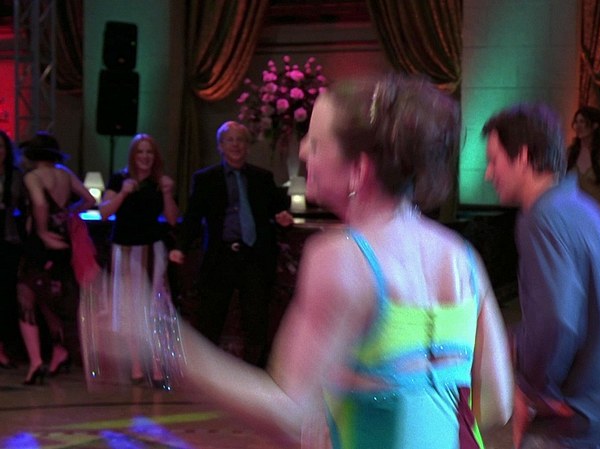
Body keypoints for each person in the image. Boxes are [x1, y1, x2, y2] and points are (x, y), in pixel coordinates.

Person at [106, 75, 513, 448]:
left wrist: (161, 340)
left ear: (358, 170)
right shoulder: (462, 257)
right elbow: (496, 405)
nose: (302, 151)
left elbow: (289, 412)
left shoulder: (343, 257)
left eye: (316, 143)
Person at [482, 103, 600, 449]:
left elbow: (556, 318)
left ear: (523, 156)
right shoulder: (584, 208)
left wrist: (531, 388)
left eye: (494, 161)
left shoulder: (543, 216)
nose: (489, 174)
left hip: (575, 403)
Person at [169, 121, 292, 367]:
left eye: (240, 140)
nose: (235, 145)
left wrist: (282, 216)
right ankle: (206, 372)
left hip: (254, 258)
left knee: (256, 320)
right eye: (230, 140)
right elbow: (193, 217)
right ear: (220, 146)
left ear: (247, 146)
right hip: (220, 258)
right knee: (210, 319)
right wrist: (180, 247)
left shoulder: (262, 178)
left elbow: (278, 207)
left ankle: (255, 373)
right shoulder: (206, 179)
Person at [99, 133, 178, 386]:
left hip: (151, 249)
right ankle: (135, 363)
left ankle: (155, 362)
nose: (145, 156)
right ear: (133, 155)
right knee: (129, 305)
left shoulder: (159, 183)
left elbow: (172, 219)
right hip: (124, 249)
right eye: (140, 152)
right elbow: (103, 213)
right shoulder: (119, 179)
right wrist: (122, 194)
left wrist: (167, 193)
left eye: (149, 152)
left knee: (153, 305)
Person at [17, 132, 96, 385]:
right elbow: (89, 199)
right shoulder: (65, 174)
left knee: (26, 296)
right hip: (62, 241)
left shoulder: (33, 177)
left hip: (41, 245)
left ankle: (36, 361)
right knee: (48, 298)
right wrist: (67, 214)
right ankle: (59, 351)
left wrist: (42, 230)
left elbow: (40, 204)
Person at [566, 106, 600, 220]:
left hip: (598, 214)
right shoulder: (570, 153)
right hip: (576, 213)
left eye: (582, 122)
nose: (578, 126)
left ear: (595, 125)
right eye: (576, 122)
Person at [0, 130, 26, 369]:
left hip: (8, 238)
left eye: (1, 147)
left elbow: (20, 203)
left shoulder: (15, 175)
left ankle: (7, 347)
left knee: (6, 294)